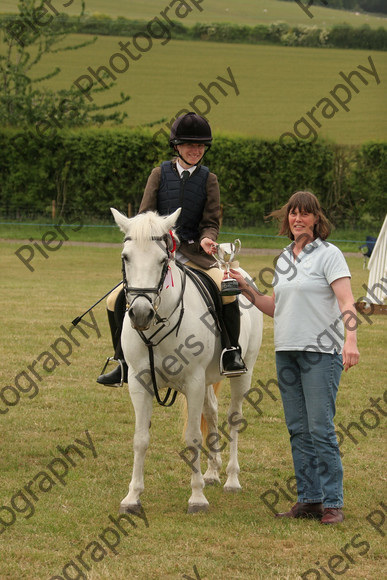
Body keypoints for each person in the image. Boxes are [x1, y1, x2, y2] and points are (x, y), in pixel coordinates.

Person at [229, 191, 360, 525]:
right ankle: (309, 499)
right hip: (286, 352)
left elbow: (346, 302)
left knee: (320, 429)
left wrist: (351, 339)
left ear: (317, 219)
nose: (297, 219)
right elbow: (276, 306)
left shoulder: (330, 255)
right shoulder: (285, 257)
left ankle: (332, 503)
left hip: (321, 354)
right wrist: (247, 288)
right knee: (298, 430)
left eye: (305, 214)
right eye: (293, 214)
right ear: (287, 218)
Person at [97, 112, 247, 387]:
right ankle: (121, 361)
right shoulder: (159, 174)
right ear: (176, 146)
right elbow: (144, 216)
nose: (195, 150)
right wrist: (156, 240)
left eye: (200, 146)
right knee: (114, 300)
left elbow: (211, 222)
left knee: (225, 292)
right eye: (190, 145)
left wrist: (207, 238)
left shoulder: (208, 179)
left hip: (194, 255)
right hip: (157, 254)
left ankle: (230, 351)